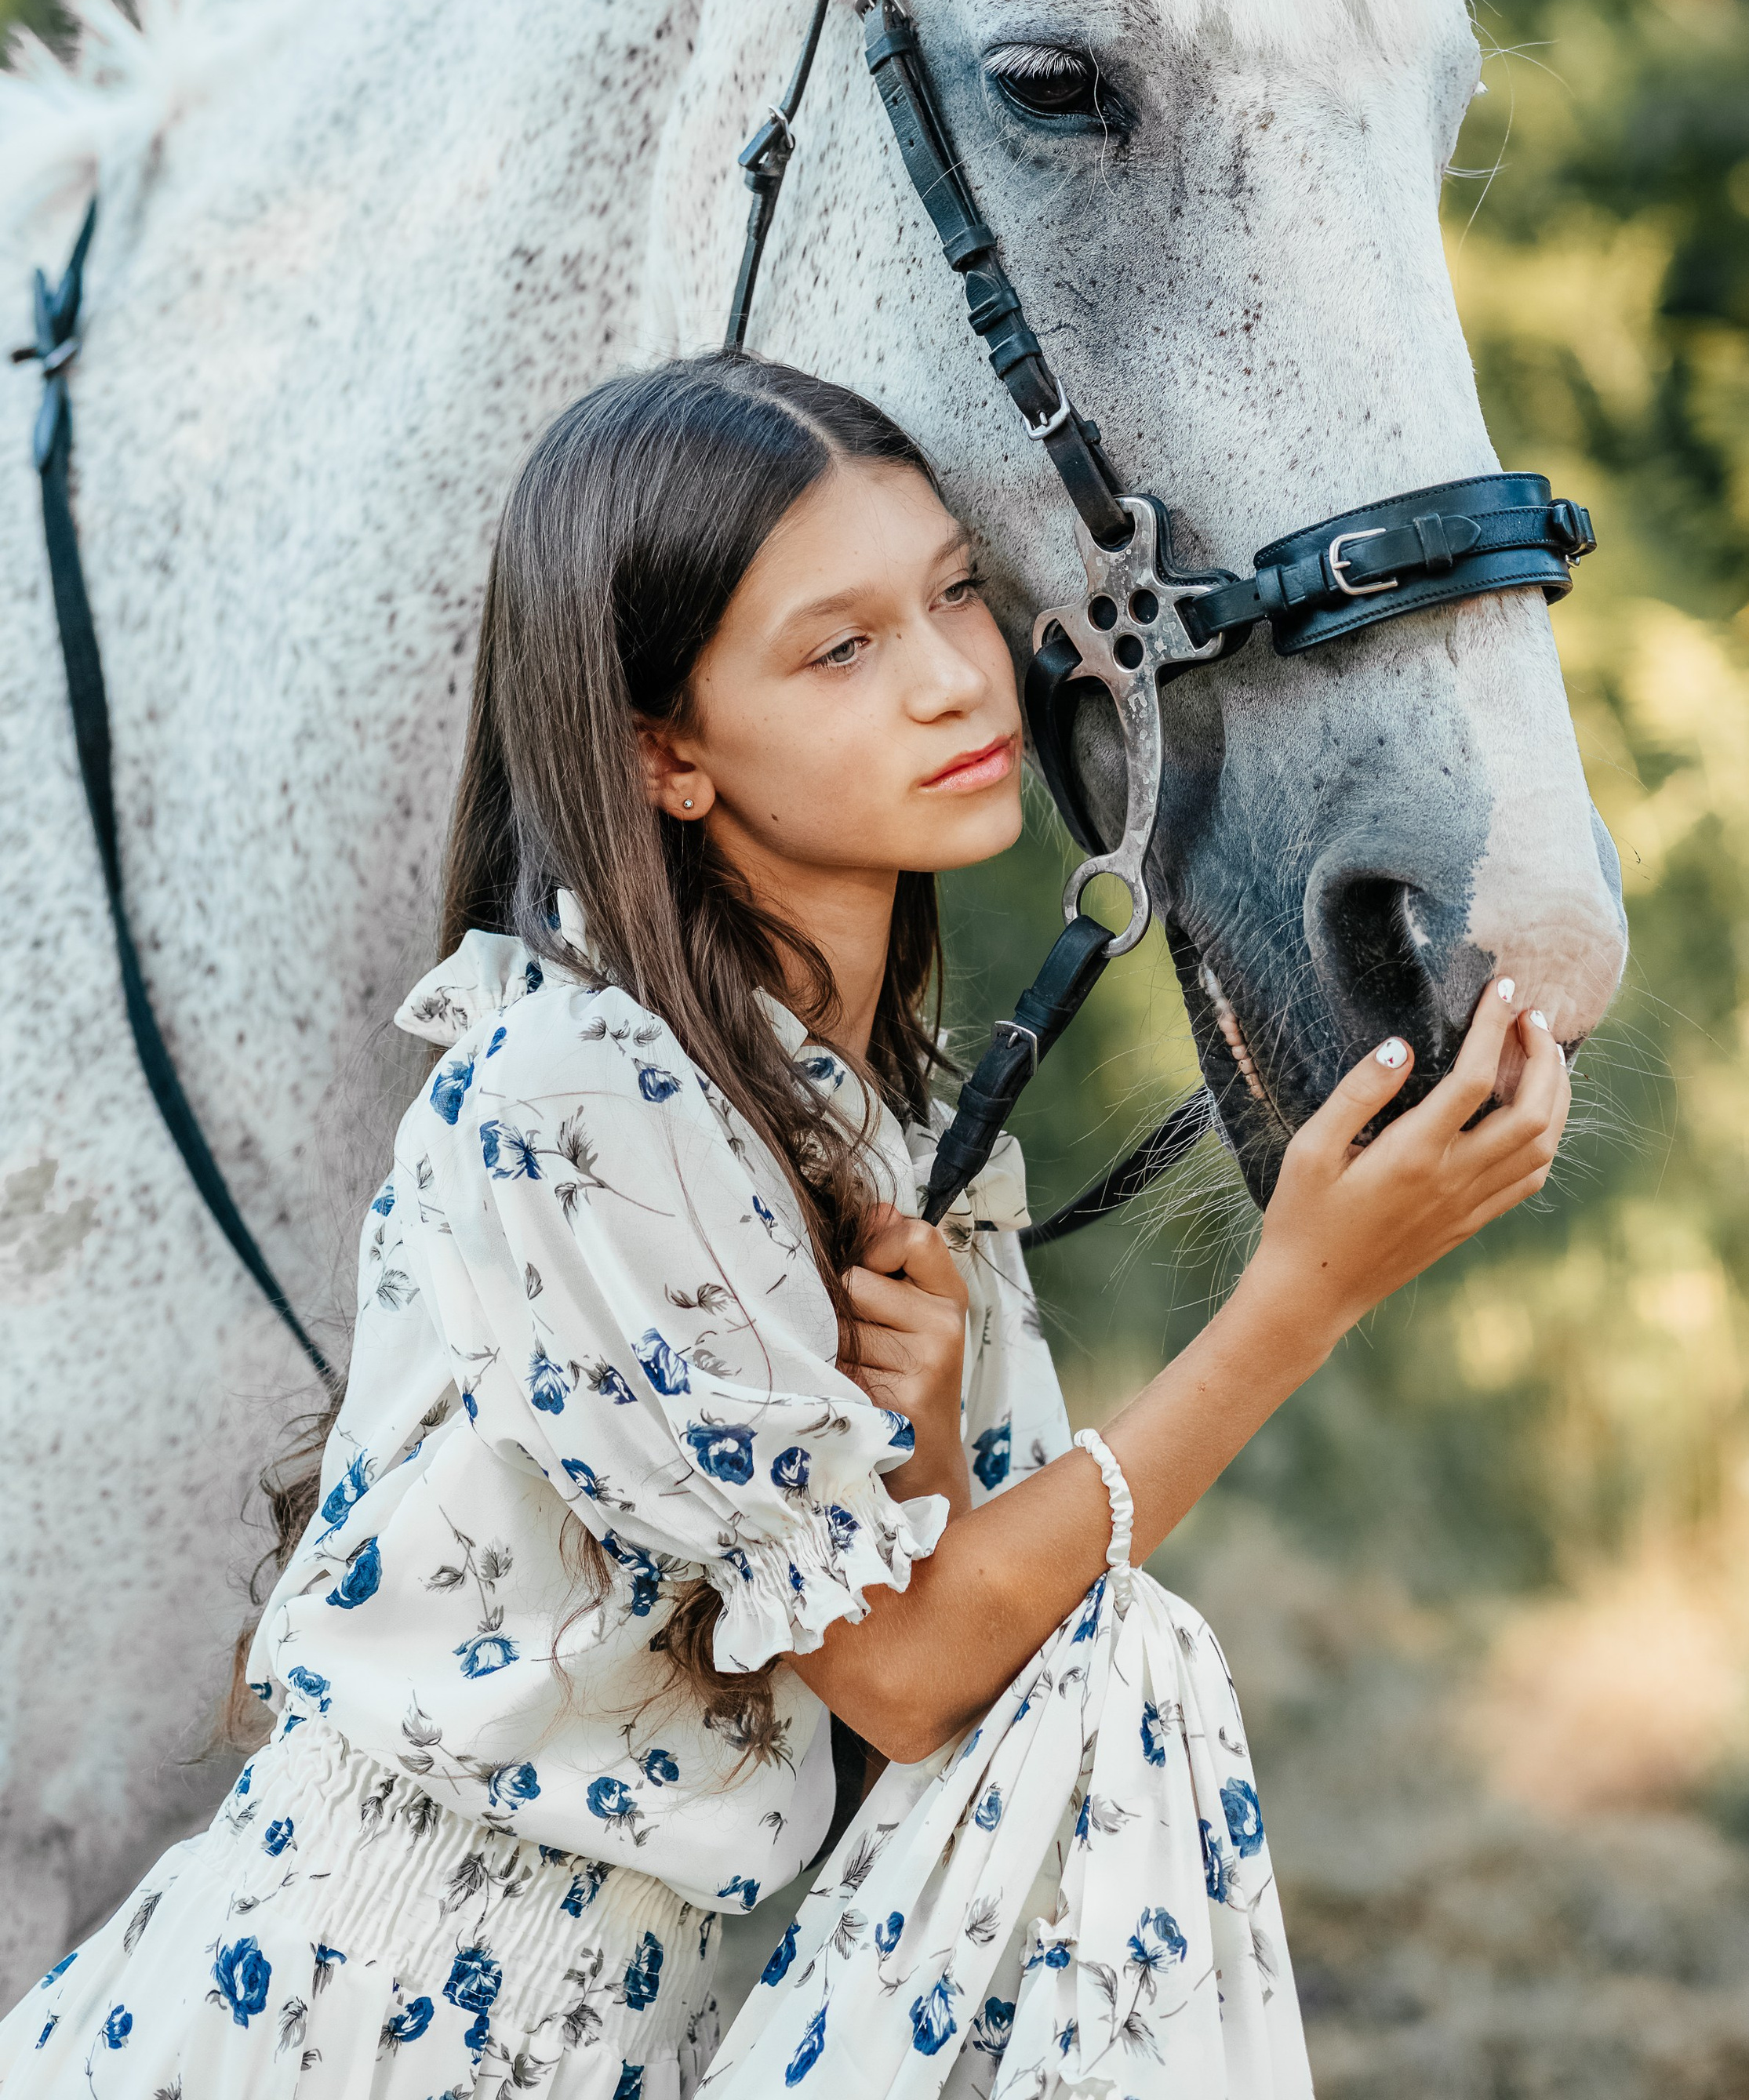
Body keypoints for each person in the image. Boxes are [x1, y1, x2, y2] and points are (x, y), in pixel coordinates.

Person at [0, 354, 1569, 2100]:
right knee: (1133, 1661)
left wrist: (926, 1446)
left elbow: (962, 1682)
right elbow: (905, 1674)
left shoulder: (870, 1128)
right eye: (841, 650)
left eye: (953, 595)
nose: (954, 678)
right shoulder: (576, 1092)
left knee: (1110, 1663)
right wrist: (1301, 1298)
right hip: (348, 2029)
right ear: (666, 755)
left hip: (605, 2047)